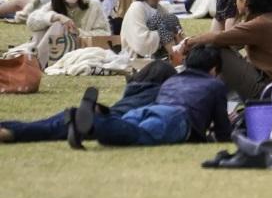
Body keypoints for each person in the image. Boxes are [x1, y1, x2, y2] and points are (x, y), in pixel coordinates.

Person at [67, 46, 231, 149]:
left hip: (150, 109)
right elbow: (222, 127)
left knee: (125, 129)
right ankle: (93, 123)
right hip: (176, 117)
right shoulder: (214, 85)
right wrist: (224, 140)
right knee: (138, 136)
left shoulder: (173, 79)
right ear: (214, 69)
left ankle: (90, 123)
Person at [0, 60, 177, 143]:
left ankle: (7, 128)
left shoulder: (133, 90)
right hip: (105, 122)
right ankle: (10, 134)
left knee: (42, 125)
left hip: (92, 113)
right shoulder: (159, 94)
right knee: (47, 130)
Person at [180, 0, 272, 100]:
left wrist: (188, 42)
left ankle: (190, 88)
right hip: (268, 85)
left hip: (266, 90)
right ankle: (211, 93)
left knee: (216, 48)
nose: (235, 0)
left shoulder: (260, 23)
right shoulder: (265, 20)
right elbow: (232, 43)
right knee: (221, 47)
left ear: (246, 0)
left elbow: (217, 38)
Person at [27, 0, 110, 68]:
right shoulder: (54, 6)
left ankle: (35, 63)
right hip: (56, 50)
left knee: (59, 25)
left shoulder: (93, 5)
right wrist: (57, 17)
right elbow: (31, 22)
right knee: (51, 23)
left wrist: (78, 33)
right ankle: (35, 61)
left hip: (81, 49)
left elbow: (105, 34)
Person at [120, 0, 185, 59]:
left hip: (158, 53)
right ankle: (177, 57)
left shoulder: (162, 9)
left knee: (171, 18)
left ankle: (181, 52)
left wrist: (178, 35)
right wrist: (167, 33)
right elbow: (140, 43)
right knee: (164, 21)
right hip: (136, 56)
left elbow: (174, 29)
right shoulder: (137, 7)